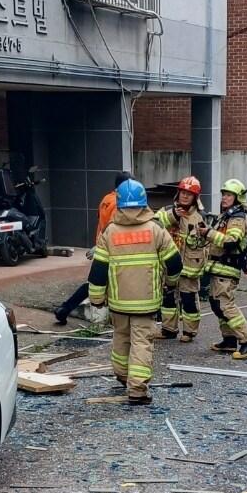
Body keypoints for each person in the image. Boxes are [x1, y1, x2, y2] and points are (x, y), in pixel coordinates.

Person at [88, 178, 182, 405]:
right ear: (144, 202)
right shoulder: (155, 229)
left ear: (119, 202)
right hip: (146, 302)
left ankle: (122, 375)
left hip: (119, 303)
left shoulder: (110, 233)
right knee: (142, 342)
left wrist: (97, 300)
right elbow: (175, 264)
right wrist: (171, 283)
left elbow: (98, 271)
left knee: (121, 338)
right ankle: (138, 390)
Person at [53, 172, 130, 324]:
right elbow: (115, 226)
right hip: (111, 250)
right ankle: (67, 308)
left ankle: (65, 309)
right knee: (102, 283)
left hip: (102, 247)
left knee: (95, 283)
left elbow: (102, 224)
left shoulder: (106, 199)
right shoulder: (118, 202)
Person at [205, 178, 247, 360]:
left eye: (228, 195)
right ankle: (229, 340)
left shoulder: (238, 217)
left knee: (225, 305)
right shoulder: (227, 215)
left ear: (238, 198)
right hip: (219, 267)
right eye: (224, 194)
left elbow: (232, 240)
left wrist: (209, 234)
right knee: (217, 304)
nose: (224, 198)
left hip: (227, 267)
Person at [155, 176, 209, 341]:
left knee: (189, 299)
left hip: (189, 266)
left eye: (189, 194)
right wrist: (172, 215)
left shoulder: (200, 217)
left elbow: (205, 244)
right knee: (168, 297)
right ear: (178, 193)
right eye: (183, 192)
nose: (185, 196)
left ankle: (189, 332)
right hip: (169, 265)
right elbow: (154, 225)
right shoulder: (166, 210)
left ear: (195, 197)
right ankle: (168, 329)